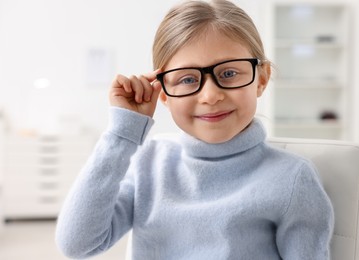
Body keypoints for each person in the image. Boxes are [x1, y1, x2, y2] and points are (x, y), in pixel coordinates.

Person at [55, 0, 334, 259]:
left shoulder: (292, 178)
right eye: (188, 79)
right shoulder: (147, 162)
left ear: (261, 79)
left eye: (228, 73)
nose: (210, 96)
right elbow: (77, 244)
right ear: (162, 93)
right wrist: (121, 133)